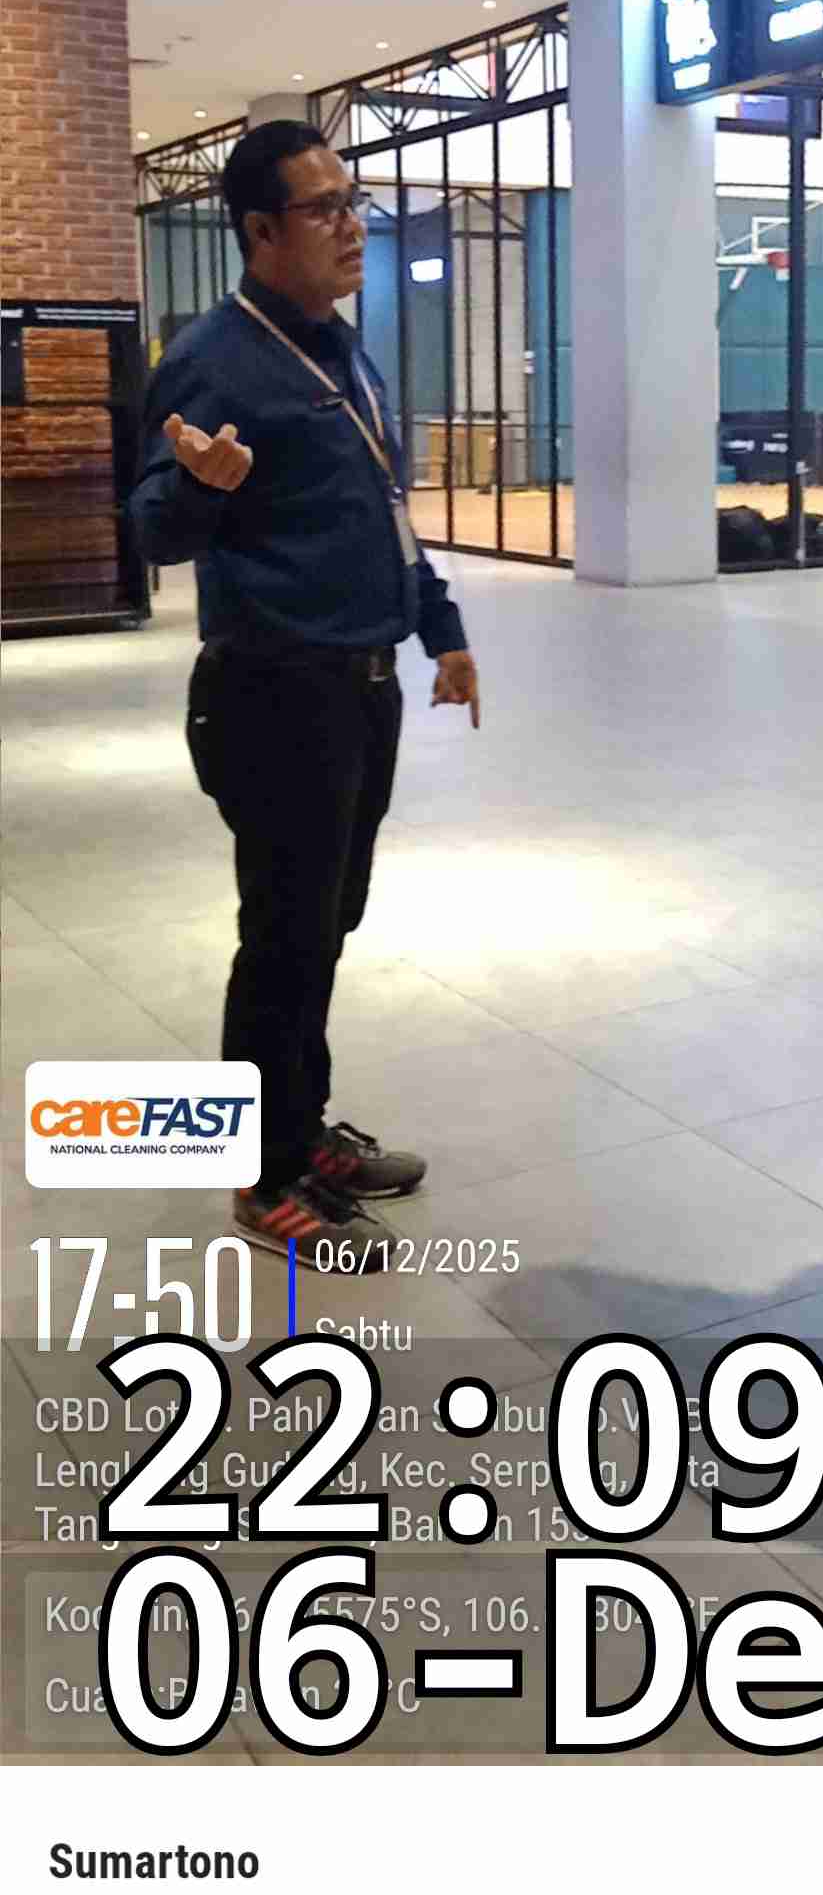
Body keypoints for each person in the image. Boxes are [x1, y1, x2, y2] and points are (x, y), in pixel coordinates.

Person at [131, 120, 480, 1273]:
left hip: (360, 688)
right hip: (274, 693)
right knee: (282, 939)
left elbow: (382, 507)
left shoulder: (339, 348)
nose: (351, 226)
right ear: (260, 230)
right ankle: (265, 1176)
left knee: (326, 925)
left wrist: (441, 631)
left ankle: (300, 1126)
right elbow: (151, 530)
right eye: (323, 208)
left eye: (352, 201)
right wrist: (199, 490)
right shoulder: (212, 360)